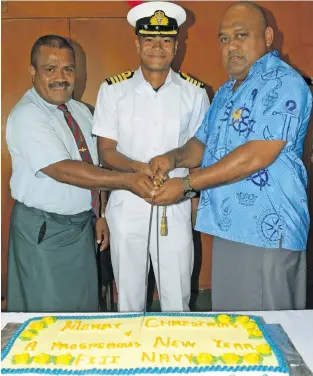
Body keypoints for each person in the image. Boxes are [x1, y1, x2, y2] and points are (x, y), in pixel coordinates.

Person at [149, 2, 313, 311]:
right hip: (227, 226)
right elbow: (201, 143)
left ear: (267, 37)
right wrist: (172, 158)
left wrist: (186, 185)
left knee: (271, 332)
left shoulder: (285, 83)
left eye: (241, 35)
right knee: (233, 325)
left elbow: (256, 156)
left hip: (268, 230)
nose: (231, 46)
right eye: (224, 39)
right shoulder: (227, 92)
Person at [6, 34, 156, 312]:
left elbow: (96, 165)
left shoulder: (81, 112)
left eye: (68, 69)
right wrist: (127, 181)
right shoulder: (27, 115)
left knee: (84, 310)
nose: (60, 77)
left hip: (80, 230)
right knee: (48, 317)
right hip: (44, 231)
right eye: (50, 69)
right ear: (33, 72)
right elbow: (64, 170)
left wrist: (98, 214)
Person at [92, 1, 210, 312]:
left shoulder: (195, 93)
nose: (157, 47)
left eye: (166, 40)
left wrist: (193, 199)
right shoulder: (112, 91)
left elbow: (200, 151)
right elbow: (106, 151)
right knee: (129, 301)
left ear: (176, 45)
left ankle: (179, 357)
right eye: (149, 39)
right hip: (127, 205)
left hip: (175, 204)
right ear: (137, 43)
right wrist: (137, 169)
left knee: (178, 298)